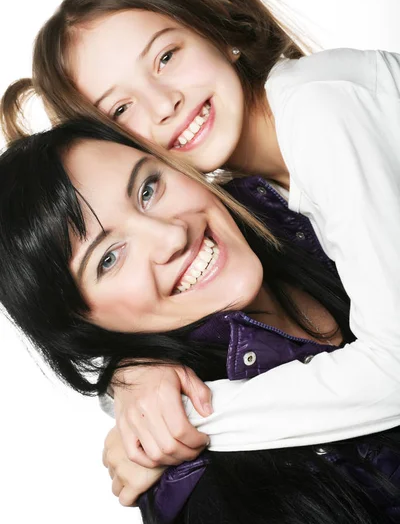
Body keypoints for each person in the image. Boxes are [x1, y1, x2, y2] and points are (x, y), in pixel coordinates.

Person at [2, 0, 400, 468]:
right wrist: (132, 378)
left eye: (166, 57)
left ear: (216, 32)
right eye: (122, 109)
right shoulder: (251, 198)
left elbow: (394, 368)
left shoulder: (321, 109)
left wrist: (179, 426)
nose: (165, 104)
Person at [0, 118, 399, 523]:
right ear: (80, 327)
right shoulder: (201, 491)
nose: (171, 237)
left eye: (148, 190)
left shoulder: (308, 191)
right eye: (109, 258)